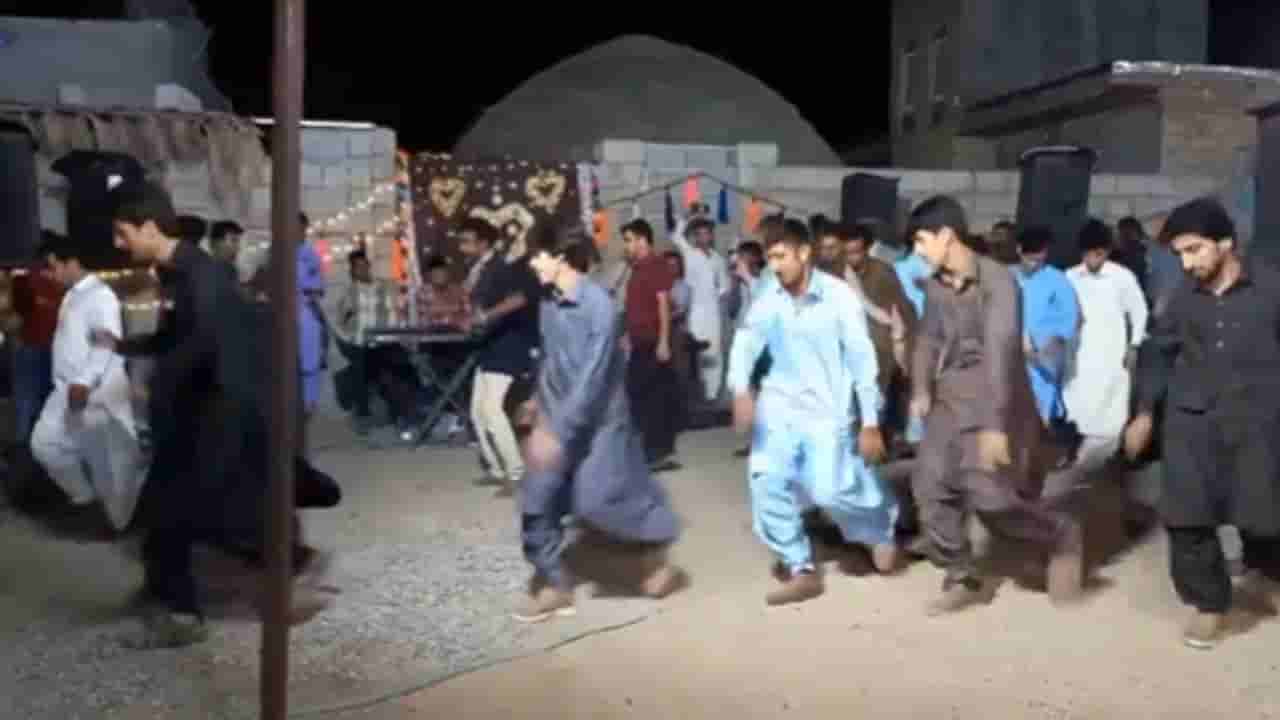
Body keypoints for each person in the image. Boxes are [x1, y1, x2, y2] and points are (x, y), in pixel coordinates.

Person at [98, 181, 331, 648]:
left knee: (191, 515)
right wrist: (127, 347)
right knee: (176, 518)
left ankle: (195, 607)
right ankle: (191, 598)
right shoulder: (176, 275)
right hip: (199, 413)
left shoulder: (201, 276)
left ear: (149, 227)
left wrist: (159, 384)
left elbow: (205, 345)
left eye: (124, 233)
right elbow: (176, 336)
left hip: (217, 414)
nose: (119, 244)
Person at [906, 195, 1083, 615]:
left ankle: (1059, 534)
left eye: (921, 241)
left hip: (996, 396)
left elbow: (1001, 352)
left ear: (947, 236)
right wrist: (921, 389)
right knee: (929, 485)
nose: (918, 251)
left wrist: (995, 425)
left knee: (989, 497)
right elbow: (928, 338)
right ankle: (961, 574)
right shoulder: (937, 284)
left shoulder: (998, 282)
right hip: (952, 396)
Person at [1123, 197, 1280, 650]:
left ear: (1225, 243)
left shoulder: (1271, 289)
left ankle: (1266, 570)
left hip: (1258, 422)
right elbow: (1158, 354)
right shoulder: (1181, 299)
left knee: (1264, 514)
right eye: (1180, 254)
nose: (1187, 263)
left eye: (1195, 250)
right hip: (1193, 422)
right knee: (1186, 515)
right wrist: (1145, 413)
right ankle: (1209, 604)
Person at [516, 225, 687, 622]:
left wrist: (557, 433)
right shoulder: (548, 303)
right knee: (536, 497)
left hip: (602, 422)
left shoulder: (599, 307)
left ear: (560, 257)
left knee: (598, 500)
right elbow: (550, 360)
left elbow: (592, 379)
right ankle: (554, 582)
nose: (532, 264)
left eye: (537, 256)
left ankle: (655, 548)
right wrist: (536, 402)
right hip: (557, 415)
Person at [728, 219, 900, 606]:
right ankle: (800, 566)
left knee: (830, 489)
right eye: (770, 258)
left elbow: (861, 357)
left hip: (828, 411)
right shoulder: (769, 296)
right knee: (766, 481)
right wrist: (741, 389)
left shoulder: (839, 297)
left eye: (781, 257)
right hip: (779, 407)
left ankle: (877, 529)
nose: (774, 266)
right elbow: (746, 341)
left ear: (804, 253)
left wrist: (870, 421)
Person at [30, 236, 142, 534]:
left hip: (93, 390)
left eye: (53, 267)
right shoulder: (72, 295)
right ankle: (84, 499)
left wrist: (83, 381)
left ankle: (114, 522)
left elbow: (106, 343)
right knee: (45, 444)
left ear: (72, 263)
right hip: (66, 390)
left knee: (110, 461)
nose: (49, 274)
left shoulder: (100, 296)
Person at [1059, 220, 1148, 480]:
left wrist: (1134, 345)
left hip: (1111, 354)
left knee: (1110, 416)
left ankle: (1096, 469)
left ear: (1107, 252)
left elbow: (1139, 311)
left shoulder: (1122, 277)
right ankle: (1077, 463)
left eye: (1098, 254)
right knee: (1076, 407)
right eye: (1088, 254)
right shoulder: (1070, 277)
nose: (1092, 260)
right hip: (1079, 355)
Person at [463, 218, 541, 497]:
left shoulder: (501, 268)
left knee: (492, 409)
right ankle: (496, 469)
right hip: (489, 344)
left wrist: (486, 316)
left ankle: (516, 472)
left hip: (508, 344)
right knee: (477, 412)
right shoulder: (480, 269)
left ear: (484, 243)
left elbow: (519, 299)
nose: (461, 247)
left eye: (467, 241)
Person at [621, 219, 681, 470]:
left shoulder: (656, 265)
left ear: (642, 240)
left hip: (653, 341)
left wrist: (664, 341)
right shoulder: (637, 268)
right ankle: (650, 450)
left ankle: (656, 452)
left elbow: (663, 304)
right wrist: (627, 334)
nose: (626, 245)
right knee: (639, 395)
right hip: (638, 340)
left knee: (652, 397)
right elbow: (635, 306)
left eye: (629, 240)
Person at [1014, 226, 1080, 424]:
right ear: (1019, 250)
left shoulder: (1057, 280)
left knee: (1040, 416)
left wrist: (1044, 350)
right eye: (1030, 259)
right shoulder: (1006, 276)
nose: (1035, 265)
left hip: (1041, 363)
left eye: (1039, 260)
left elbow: (1070, 320)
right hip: (1009, 359)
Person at [670, 214, 732, 403]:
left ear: (711, 236)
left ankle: (712, 393)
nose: (704, 237)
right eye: (700, 234)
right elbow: (676, 236)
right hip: (694, 311)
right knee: (695, 351)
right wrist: (688, 218)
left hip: (713, 311)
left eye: (707, 233)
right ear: (695, 237)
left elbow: (725, 285)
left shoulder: (718, 259)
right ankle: (697, 392)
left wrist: (716, 294)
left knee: (714, 350)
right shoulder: (689, 254)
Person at [10, 232, 65, 442]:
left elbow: (19, 310)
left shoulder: (24, 278)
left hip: (31, 344)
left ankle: (24, 443)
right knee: (48, 398)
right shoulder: (62, 280)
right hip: (53, 347)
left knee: (26, 399)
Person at [296, 213, 327, 454]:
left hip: (304, 314)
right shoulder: (274, 252)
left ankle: (305, 414)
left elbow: (317, 290)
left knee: (309, 366)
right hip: (278, 314)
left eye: (300, 228)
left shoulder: (310, 255)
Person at [209, 220, 243, 286]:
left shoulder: (230, 270)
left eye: (238, 242)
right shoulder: (205, 271)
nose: (238, 248)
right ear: (216, 243)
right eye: (234, 241)